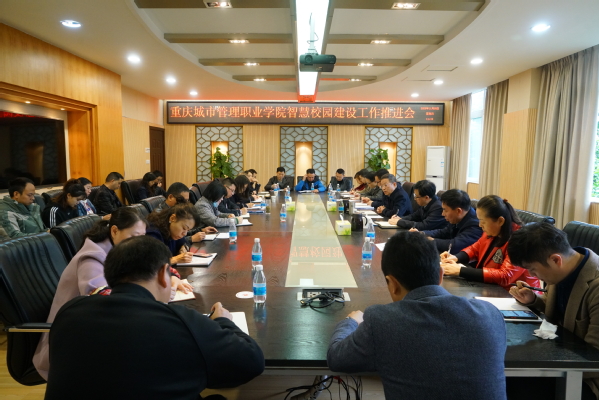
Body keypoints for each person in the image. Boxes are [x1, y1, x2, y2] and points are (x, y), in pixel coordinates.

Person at [43, 235, 265, 400]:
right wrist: (222, 320)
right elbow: (251, 361)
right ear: (162, 274)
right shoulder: (179, 321)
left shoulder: (70, 312)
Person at [327, 232, 507, 400]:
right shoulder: (490, 314)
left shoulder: (382, 321)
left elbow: (336, 358)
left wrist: (350, 322)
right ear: (440, 275)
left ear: (392, 283)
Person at [33, 207, 148, 380]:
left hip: (96, 326)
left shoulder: (119, 249)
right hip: (70, 338)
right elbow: (100, 295)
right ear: (114, 231)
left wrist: (169, 277)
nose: (139, 243)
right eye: (134, 236)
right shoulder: (92, 256)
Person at [508, 223, 599, 399]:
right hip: (563, 358)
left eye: (532, 269)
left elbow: (594, 360)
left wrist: (535, 360)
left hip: (587, 378)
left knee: (510, 383)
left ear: (556, 260)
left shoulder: (595, 286)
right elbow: (564, 310)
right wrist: (534, 300)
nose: (532, 275)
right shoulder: (564, 270)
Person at [440, 195, 540, 291]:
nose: (480, 225)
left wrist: (460, 271)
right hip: (490, 287)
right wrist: (455, 257)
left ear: (500, 221)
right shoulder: (492, 231)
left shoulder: (520, 240)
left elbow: (505, 276)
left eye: (483, 221)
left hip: (517, 295)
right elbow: (475, 249)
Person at [412, 189, 482, 254]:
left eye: (445, 210)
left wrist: (429, 240)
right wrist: (422, 234)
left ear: (458, 211)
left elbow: (454, 246)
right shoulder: (457, 217)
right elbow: (443, 232)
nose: (443, 214)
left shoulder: (476, 224)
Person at [146, 204, 203, 271]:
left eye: (188, 230)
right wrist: (175, 259)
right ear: (172, 218)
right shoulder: (153, 233)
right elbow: (152, 263)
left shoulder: (173, 231)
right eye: (184, 228)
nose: (185, 233)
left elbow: (184, 242)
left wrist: (183, 247)